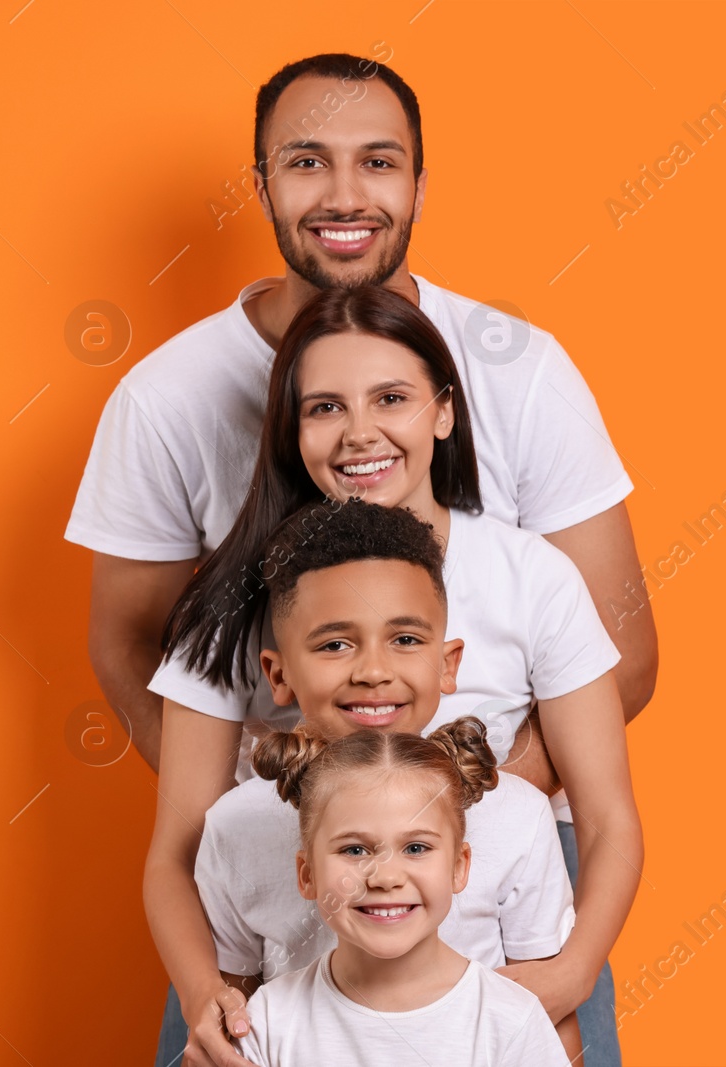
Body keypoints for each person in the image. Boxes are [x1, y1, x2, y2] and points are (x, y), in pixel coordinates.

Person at [67, 53, 652, 1065]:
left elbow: (621, 671)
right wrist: (289, 816)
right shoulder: (175, 416)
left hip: (501, 883)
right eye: (306, 161)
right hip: (278, 886)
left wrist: (446, 813)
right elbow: (128, 647)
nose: (345, 194)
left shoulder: (525, 380)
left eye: (377, 161)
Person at [145, 288, 640, 1067]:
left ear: (444, 412)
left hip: (499, 937)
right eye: (324, 408)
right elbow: (179, 847)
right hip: (290, 956)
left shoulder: (529, 576)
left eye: (392, 398)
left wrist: (565, 975)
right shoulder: (242, 597)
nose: (359, 432)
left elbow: (608, 816)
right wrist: (209, 992)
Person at [194, 502, 582, 1057]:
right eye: (334, 644)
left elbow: (549, 1011)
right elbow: (235, 1016)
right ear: (277, 674)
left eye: (404, 639)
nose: (373, 672)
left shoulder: (519, 816)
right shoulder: (235, 827)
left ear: (448, 665)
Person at [236, 726, 570, 1067]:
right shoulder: (267, 1021)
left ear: (458, 867)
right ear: (308, 875)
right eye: (354, 849)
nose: (386, 878)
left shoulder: (512, 1020)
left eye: (415, 847)